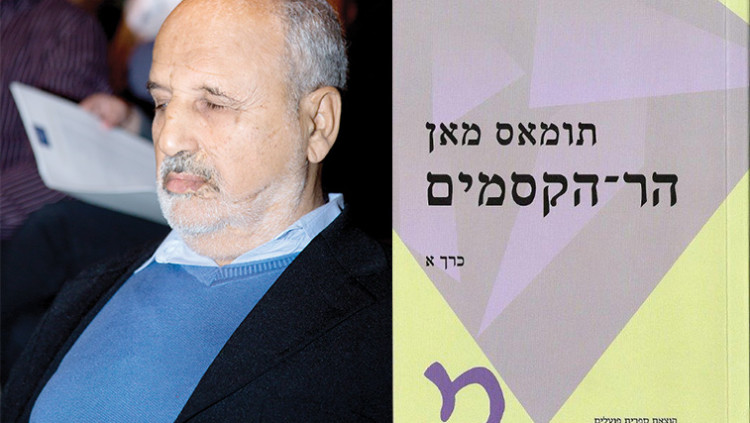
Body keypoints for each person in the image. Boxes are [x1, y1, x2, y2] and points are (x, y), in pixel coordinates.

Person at [1, 0, 391, 421]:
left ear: (317, 123)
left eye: (213, 103)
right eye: (162, 103)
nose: (168, 139)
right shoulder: (86, 290)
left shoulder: (402, 325)